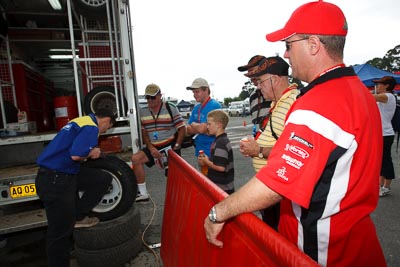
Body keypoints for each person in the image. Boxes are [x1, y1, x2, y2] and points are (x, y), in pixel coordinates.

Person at [204, 1, 387, 266]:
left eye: (289, 45)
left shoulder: (319, 103)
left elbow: (276, 183)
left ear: (313, 45)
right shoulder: (358, 92)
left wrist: (218, 213)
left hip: (323, 247)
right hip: (355, 238)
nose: (286, 55)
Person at [35, 108, 116, 267]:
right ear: (106, 121)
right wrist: (92, 152)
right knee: (59, 234)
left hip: (64, 174)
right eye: (108, 127)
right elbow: (76, 155)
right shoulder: (91, 127)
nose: (106, 130)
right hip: (56, 179)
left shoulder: (80, 121)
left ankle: (78, 216)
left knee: (102, 178)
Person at [239, 56, 299, 230]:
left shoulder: (293, 103)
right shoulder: (279, 102)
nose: (258, 86)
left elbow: (293, 153)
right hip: (273, 188)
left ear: (275, 79)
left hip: (281, 193)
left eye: (261, 81)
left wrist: (258, 150)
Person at [132, 83, 185, 202]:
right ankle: (143, 193)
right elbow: (144, 132)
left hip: (170, 145)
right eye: (147, 98)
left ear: (160, 96)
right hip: (154, 146)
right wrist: (150, 148)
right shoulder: (143, 111)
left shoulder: (170, 107)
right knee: (136, 159)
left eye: (153, 97)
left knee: (172, 176)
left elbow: (182, 128)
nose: (150, 100)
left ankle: (177, 199)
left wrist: (176, 146)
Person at [198, 110, 235, 194]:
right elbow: (218, 162)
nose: (207, 127)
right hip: (223, 187)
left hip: (222, 189)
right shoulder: (221, 140)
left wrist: (206, 161)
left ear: (219, 125)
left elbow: (220, 167)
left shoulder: (220, 142)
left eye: (209, 124)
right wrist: (207, 160)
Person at [372, 76, 397, 197]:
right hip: (381, 133)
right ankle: (380, 185)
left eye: (379, 84)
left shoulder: (389, 96)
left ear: (387, 85)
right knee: (381, 161)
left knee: (386, 161)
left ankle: (386, 186)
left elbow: (371, 96)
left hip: (386, 134)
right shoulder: (383, 98)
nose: (377, 86)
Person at [186, 78, 221, 157]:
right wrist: (202, 129)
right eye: (193, 92)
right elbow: (188, 129)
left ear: (206, 90)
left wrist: (194, 125)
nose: (194, 94)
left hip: (213, 153)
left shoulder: (214, 105)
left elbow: (202, 128)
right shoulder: (196, 108)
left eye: (197, 91)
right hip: (200, 151)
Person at [238, 55, 271, 127]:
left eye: (253, 71)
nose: (251, 77)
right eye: (249, 73)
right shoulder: (253, 96)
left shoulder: (279, 93)